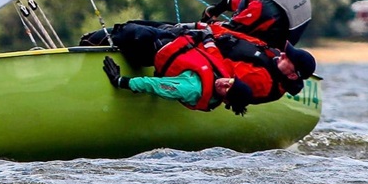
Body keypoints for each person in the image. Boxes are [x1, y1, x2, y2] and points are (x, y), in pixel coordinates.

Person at [102, 28, 317, 114]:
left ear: (225, 99)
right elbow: (213, 53)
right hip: (181, 40)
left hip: (155, 49)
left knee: (130, 32)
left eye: (226, 89)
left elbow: (154, 86)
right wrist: (204, 35)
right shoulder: (222, 75)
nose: (223, 83)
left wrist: (121, 80)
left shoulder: (193, 88)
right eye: (229, 82)